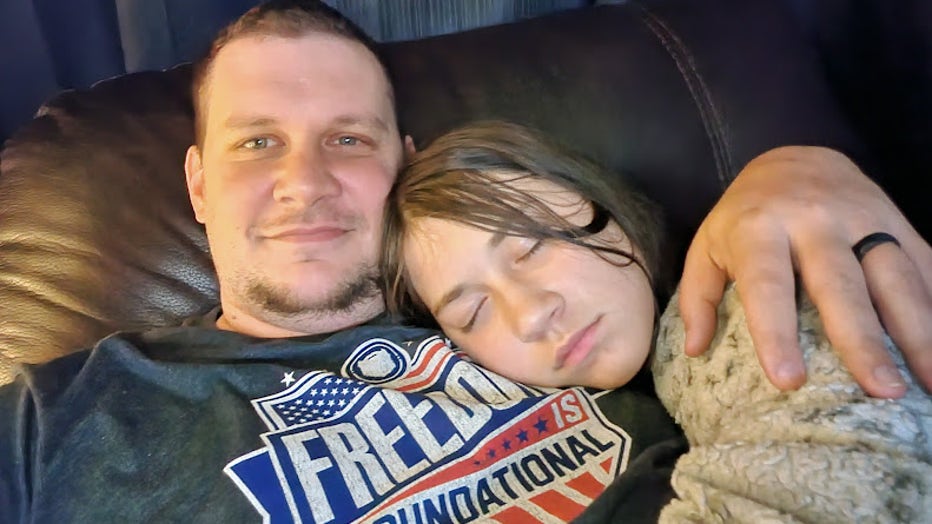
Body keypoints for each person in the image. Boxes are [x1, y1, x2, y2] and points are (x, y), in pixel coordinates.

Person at [1, 1, 930, 522]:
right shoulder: (53, 421)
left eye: (348, 140)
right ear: (196, 186)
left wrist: (787, 165)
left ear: (402, 162)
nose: (305, 181)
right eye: (255, 144)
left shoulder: (582, 321)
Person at [380, 120, 932, 522]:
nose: (530, 314)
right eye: (472, 312)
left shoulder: (734, 308)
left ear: (600, 201)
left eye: (531, 247)